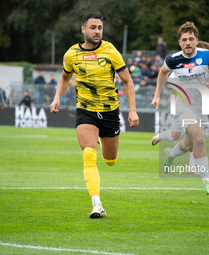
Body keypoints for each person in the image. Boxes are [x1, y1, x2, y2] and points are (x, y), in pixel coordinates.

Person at [50, 12, 139, 219]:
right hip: (85, 110)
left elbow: (128, 81)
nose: (97, 31)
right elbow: (65, 78)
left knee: (110, 160)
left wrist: (132, 110)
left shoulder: (110, 51)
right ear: (83, 30)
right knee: (89, 154)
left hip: (109, 112)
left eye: (99, 27)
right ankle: (97, 204)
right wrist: (57, 98)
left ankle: (101, 138)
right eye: (92, 27)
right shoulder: (71, 54)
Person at [151, 22, 209, 196]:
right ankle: (208, 183)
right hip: (182, 106)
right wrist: (156, 95)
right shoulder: (172, 59)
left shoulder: (207, 56)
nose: (188, 42)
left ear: (196, 40)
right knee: (199, 140)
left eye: (191, 39)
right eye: (184, 40)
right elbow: (162, 73)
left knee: (189, 145)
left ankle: (170, 156)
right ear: (179, 42)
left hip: (201, 106)